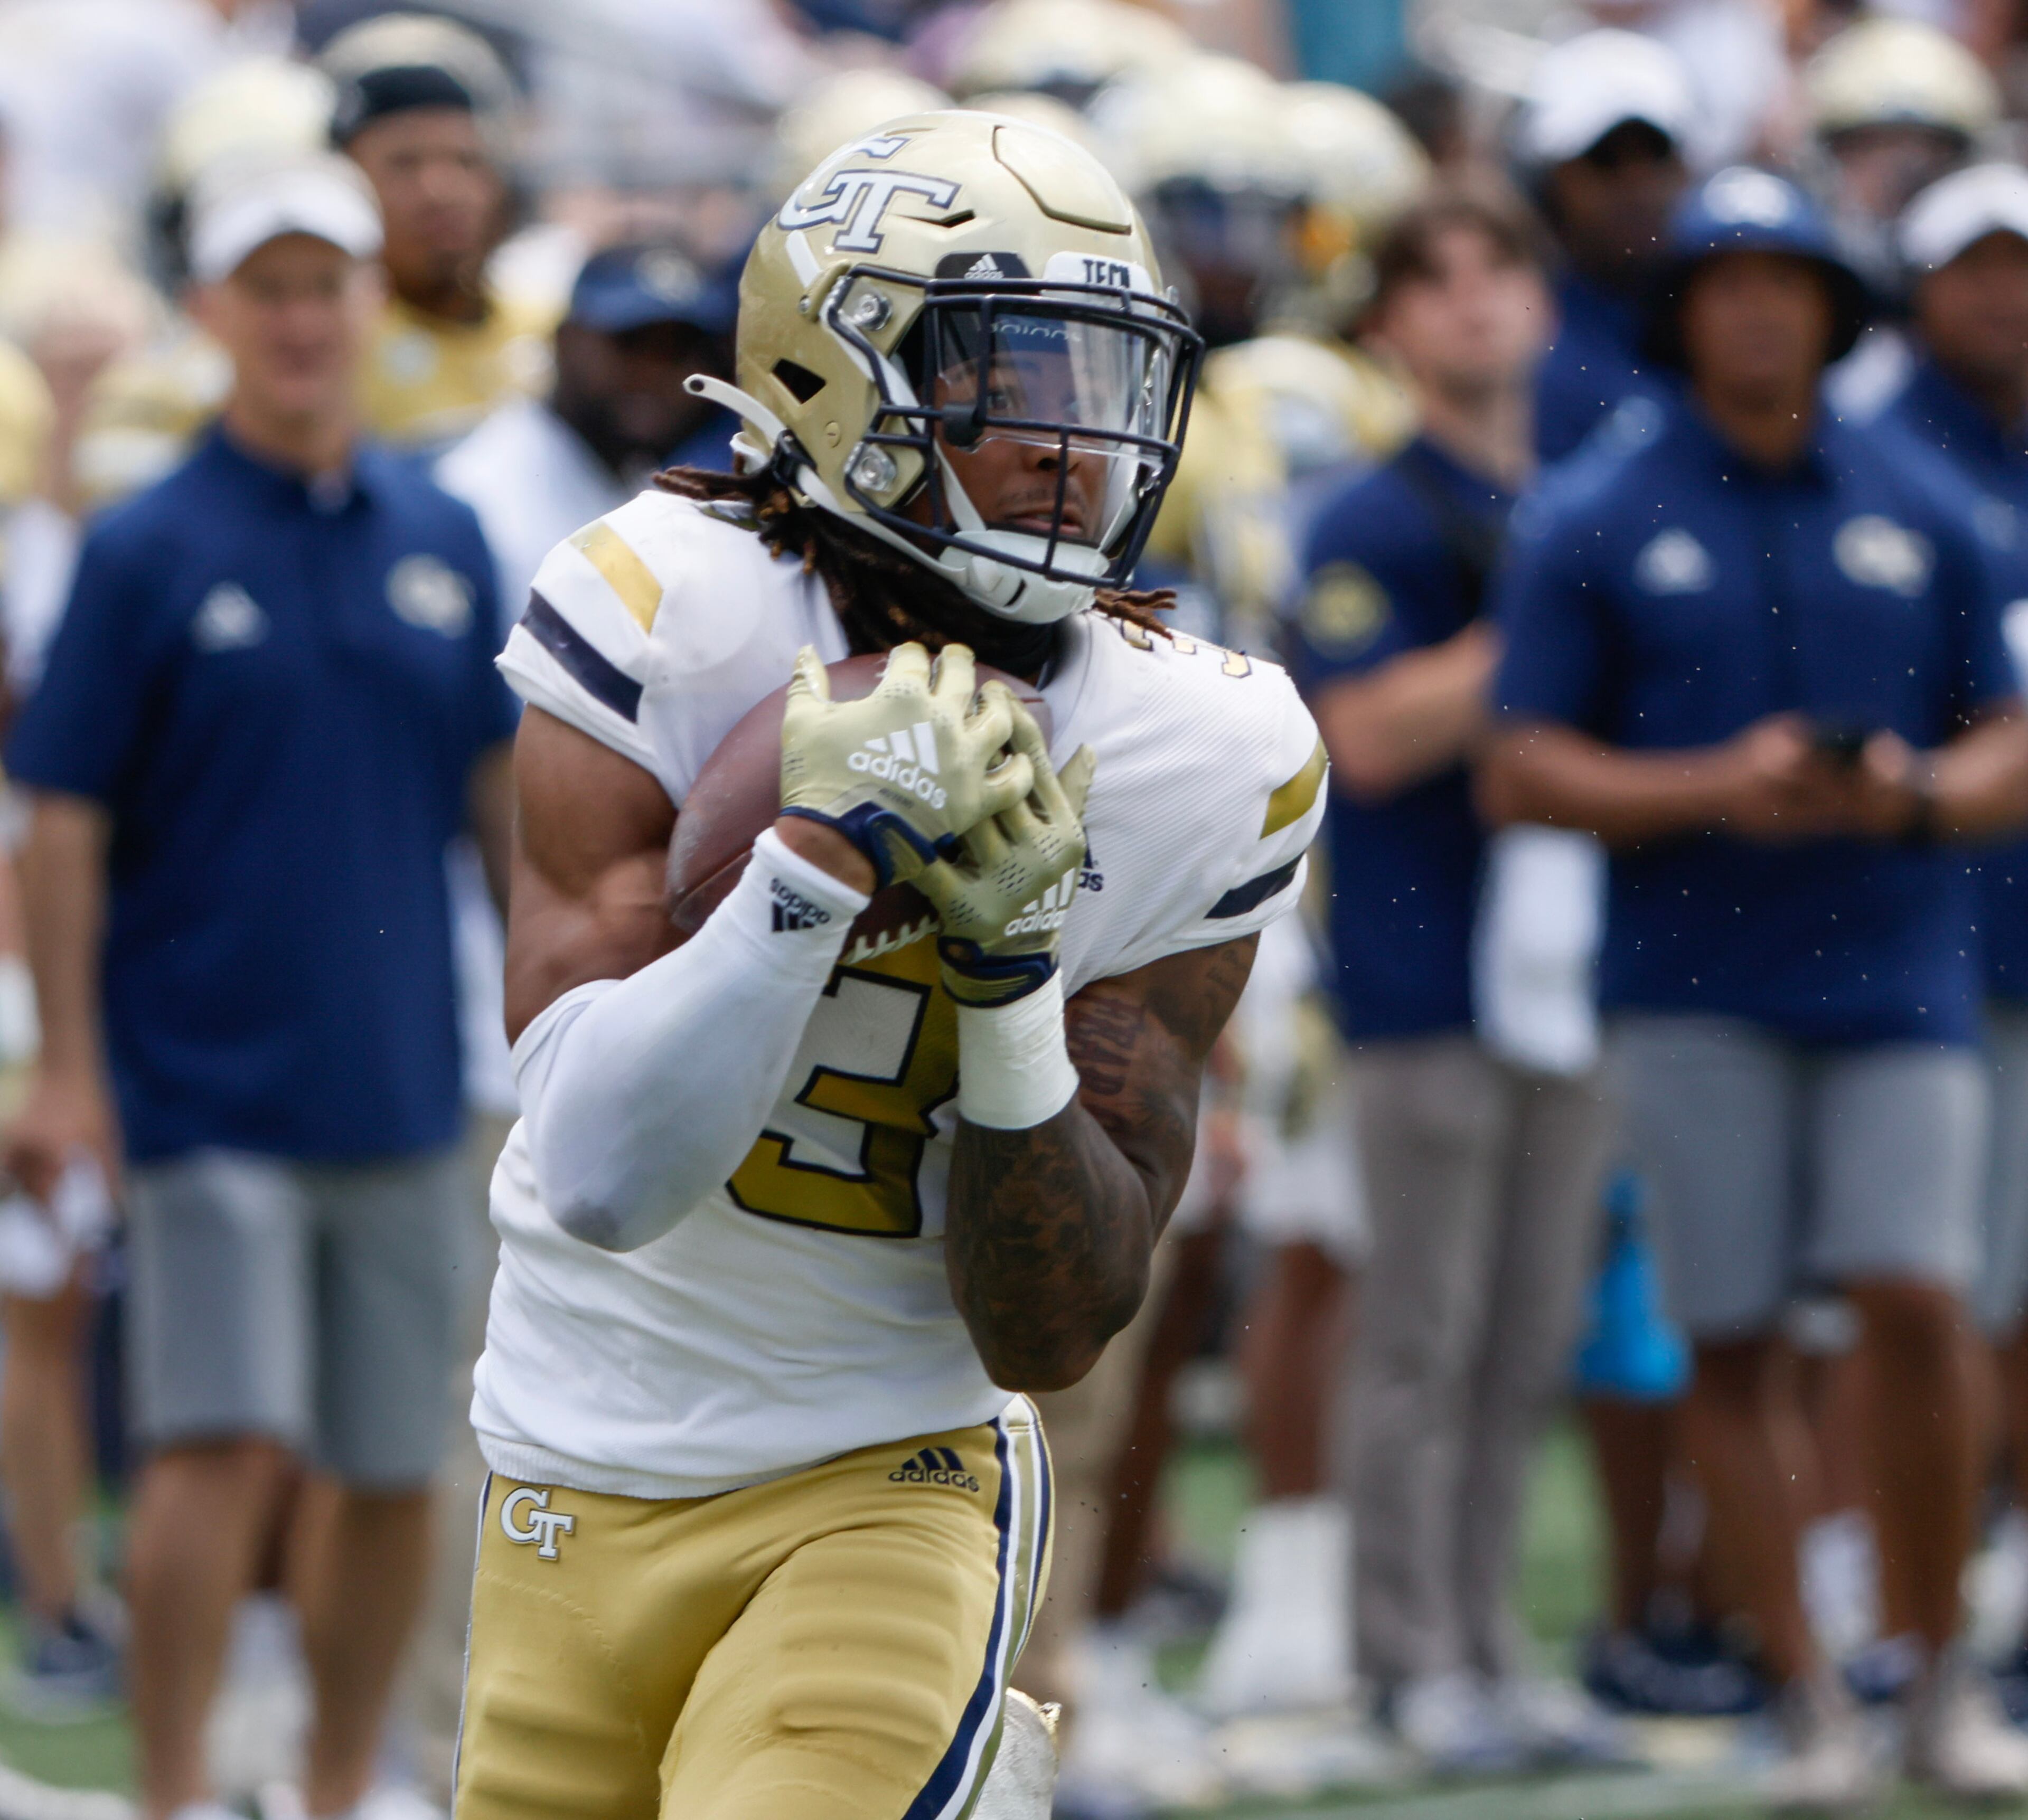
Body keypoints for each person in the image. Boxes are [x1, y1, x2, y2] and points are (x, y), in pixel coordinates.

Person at [453, 108, 1325, 1819]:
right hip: (562, 1458)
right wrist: (810, 870)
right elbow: (607, 1175)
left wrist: (1007, 988)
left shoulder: (1207, 747)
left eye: (1108, 379)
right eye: (1013, 371)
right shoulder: (667, 609)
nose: (1078, 442)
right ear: (836, 363)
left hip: (888, 1468)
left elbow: (1056, 1321)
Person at [1482, 164, 2028, 1808]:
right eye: (1725, 281)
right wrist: (1710, 784)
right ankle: (1806, 1692)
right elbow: (1516, 768)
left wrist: (1916, 798)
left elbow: (2007, 733)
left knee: (1918, 1300)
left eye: (1786, 280)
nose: (1757, 308)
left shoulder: (1928, 500)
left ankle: (1929, 1673)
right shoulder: (1594, 507)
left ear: (1831, 305)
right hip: (1690, 978)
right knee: (1725, 1336)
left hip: (1896, 966)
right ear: (1680, 312)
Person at [2, 153, 517, 1820]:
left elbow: (504, 807)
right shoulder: (146, 547)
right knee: (216, 1443)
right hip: (204, 1080)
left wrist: (550, 1011)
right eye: (270, 289)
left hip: (400, 1080)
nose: (301, 320)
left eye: (327, 285)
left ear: (369, 303)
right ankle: (165, 1795)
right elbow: (63, 817)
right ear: (215, 314)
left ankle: (327, 1783)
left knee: (385, 1465)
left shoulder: (443, 535)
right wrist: (69, 1067)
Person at [1292, 181, 1618, 1774]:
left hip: (1568, 967)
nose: (1475, 302)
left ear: (1541, 308)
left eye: (1501, 272)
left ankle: (1494, 1644)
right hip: (1422, 973)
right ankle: (1401, 1660)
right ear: (1390, 324)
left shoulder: (1583, 501)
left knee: (1526, 1331)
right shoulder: (1366, 516)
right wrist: (1550, 640)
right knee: (1418, 1329)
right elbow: (1361, 733)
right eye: (1436, 279)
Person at [1877, 162, 2028, 1683]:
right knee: (1937, 1292)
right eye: (1974, 264)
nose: (2004, 291)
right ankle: (1923, 1589)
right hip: (1928, 942)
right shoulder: (1878, 457)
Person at [320, 13, 552, 452]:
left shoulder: (550, 327)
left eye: (466, 161)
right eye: (404, 163)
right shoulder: (323, 351)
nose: (441, 191)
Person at [1514, 30, 1694, 466]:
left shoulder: (1726, 316)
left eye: (1655, 154)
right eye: (1605, 158)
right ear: (1553, 181)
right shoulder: (1522, 341)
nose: (1637, 185)